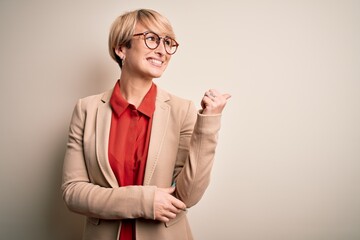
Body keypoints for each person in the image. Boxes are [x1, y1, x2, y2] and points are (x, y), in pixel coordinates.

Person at [61, 8, 231, 240]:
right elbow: (73, 193)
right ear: (121, 48)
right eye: (152, 39)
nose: (162, 50)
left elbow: (187, 196)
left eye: (168, 42)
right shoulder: (86, 109)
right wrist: (144, 201)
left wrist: (209, 123)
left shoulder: (182, 110)